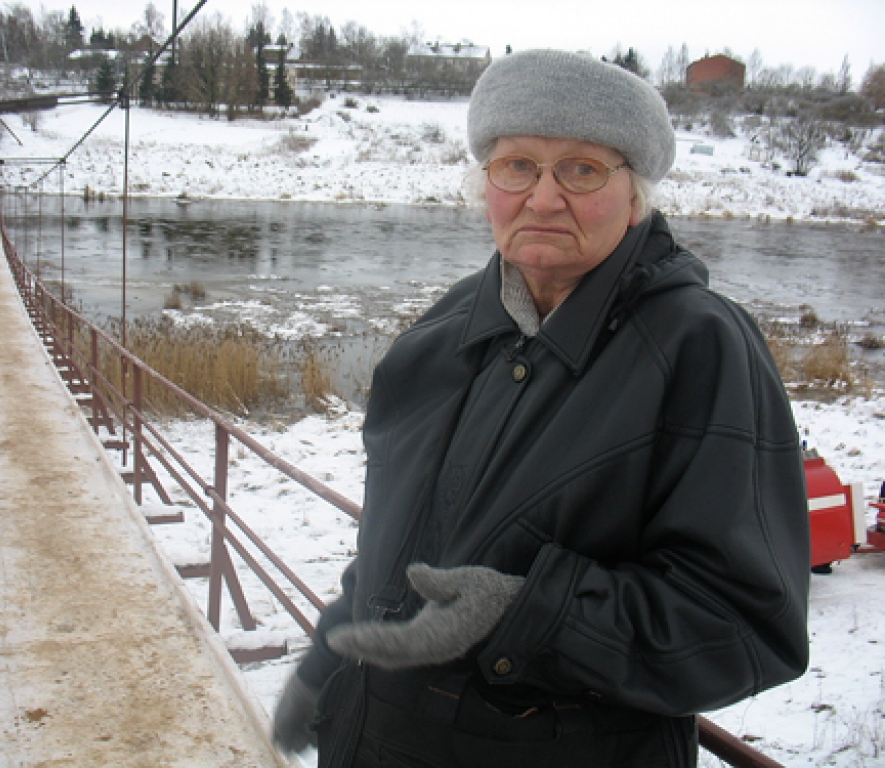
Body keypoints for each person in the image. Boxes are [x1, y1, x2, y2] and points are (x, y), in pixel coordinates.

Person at [273, 49, 810, 768]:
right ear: (485, 181)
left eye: (582, 169)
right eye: (517, 165)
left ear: (636, 194)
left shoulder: (699, 347)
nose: (544, 198)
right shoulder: (442, 333)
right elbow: (393, 548)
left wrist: (527, 615)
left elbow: (748, 624)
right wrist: (327, 660)